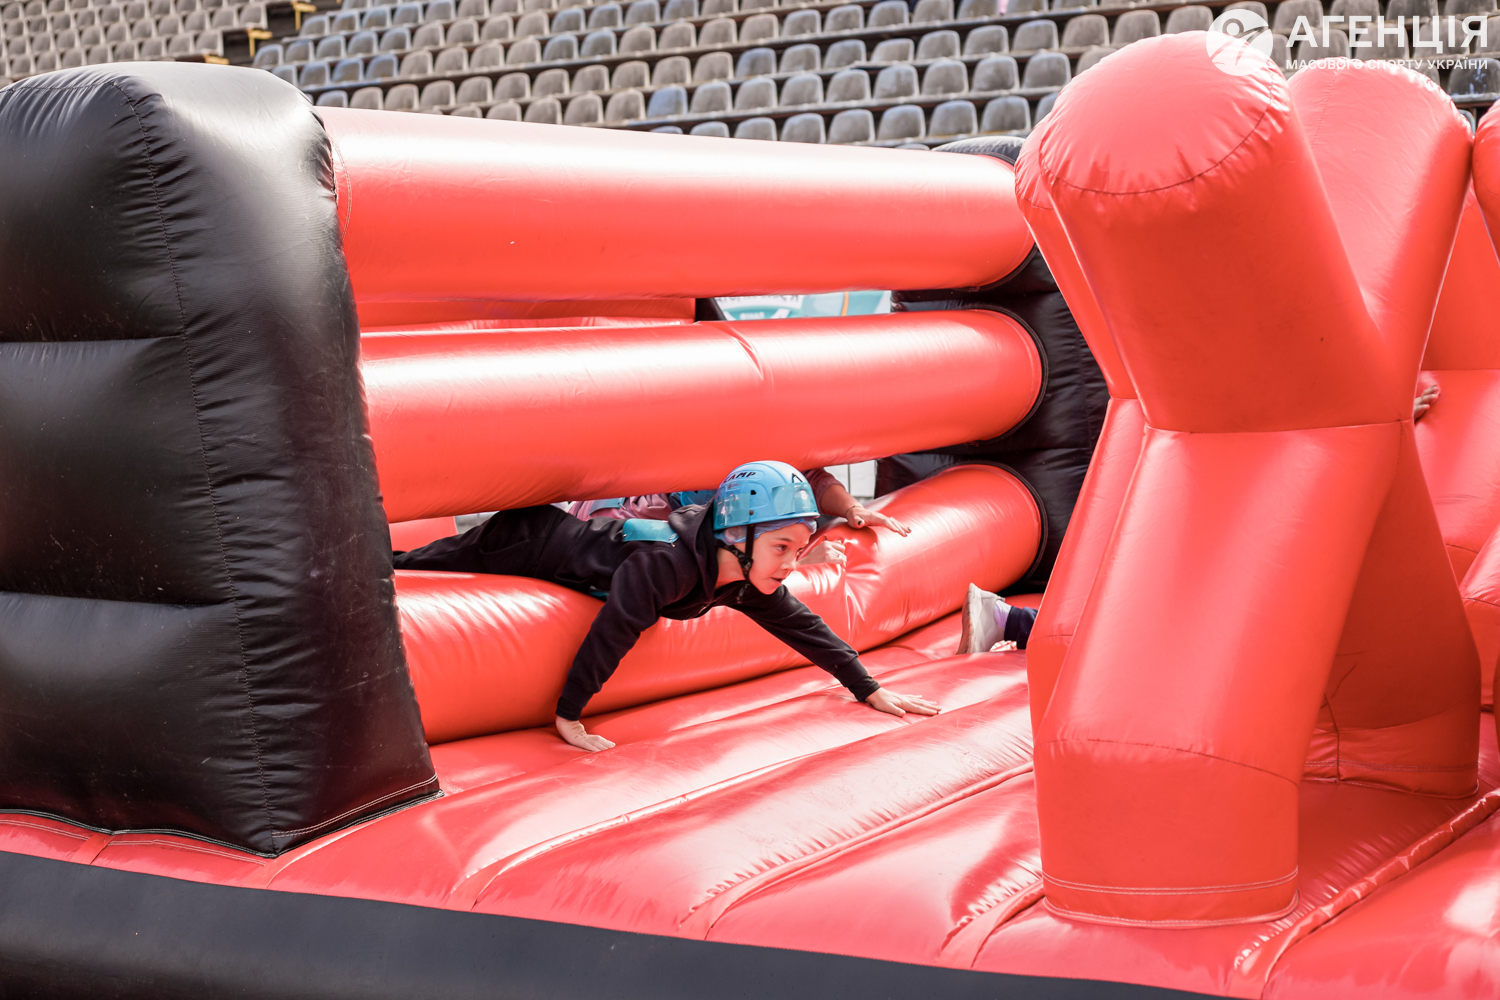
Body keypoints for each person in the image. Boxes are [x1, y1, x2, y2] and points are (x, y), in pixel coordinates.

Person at [395, 460, 939, 751]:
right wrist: (569, 715)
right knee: (413, 565)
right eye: (781, 549)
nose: (792, 564)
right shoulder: (667, 564)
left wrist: (869, 688)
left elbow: (804, 627)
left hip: (565, 552)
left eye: (798, 551)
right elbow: (615, 629)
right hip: (527, 541)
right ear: (737, 537)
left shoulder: (740, 577)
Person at [566, 467, 911, 568]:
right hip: (613, 526)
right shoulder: (650, 531)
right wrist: (799, 563)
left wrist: (852, 509)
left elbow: (809, 477)